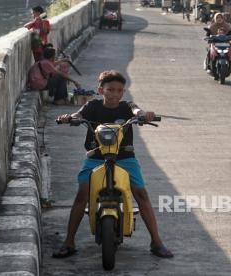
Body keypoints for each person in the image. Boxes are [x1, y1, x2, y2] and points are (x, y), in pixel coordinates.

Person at [53, 70, 173, 259]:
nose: (114, 94)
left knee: (141, 194)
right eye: (110, 90)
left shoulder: (127, 107)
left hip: (125, 158)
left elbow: (137, 111)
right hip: (96, 157)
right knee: (82, 193)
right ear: (101, 90)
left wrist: (144, 115)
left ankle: (156, 242)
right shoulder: (92, 106)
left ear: (123, 92)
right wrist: (70, 117)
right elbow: (79, 113)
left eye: (119, 90)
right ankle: (69, 242)